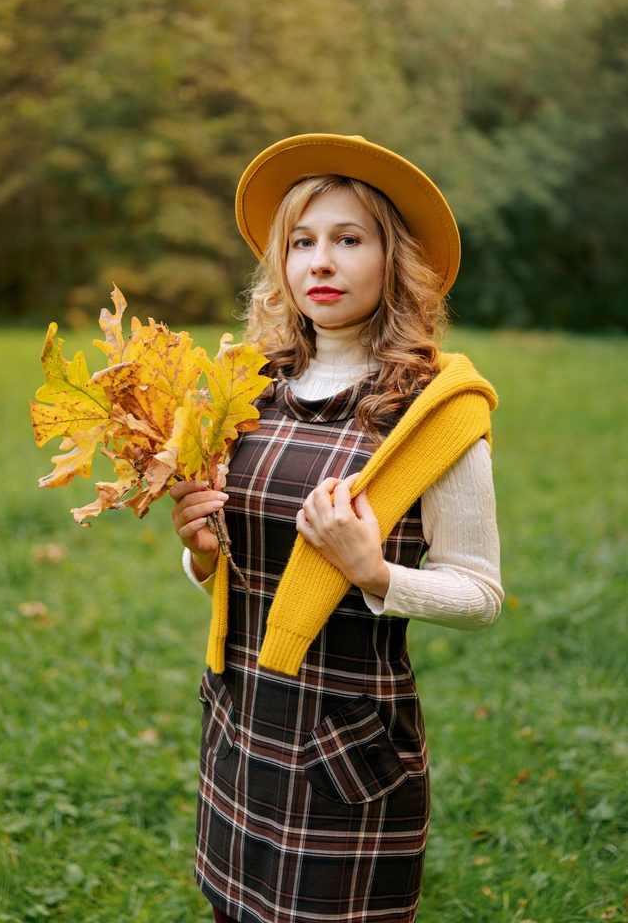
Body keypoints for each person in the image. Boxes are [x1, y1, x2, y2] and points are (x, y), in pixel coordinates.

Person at [170, 134, 503, 923]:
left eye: (348, 240)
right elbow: (233, 565)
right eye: (302, 242)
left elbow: (482, 593)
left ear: (397, 260)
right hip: (244, 726)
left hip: (346, 748)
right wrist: (200, 552)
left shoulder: (435, 414)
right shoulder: (245, 392)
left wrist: (375, 572)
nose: (321, 262)